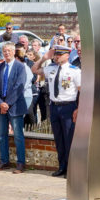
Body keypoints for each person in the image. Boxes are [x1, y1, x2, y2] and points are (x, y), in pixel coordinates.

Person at [35, 43, 81, 177]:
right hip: (54, 106)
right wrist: (43, 58)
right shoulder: (51, 68)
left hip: (68, 106)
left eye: (59, 54)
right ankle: (62, 167)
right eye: (56, 54)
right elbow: (34, 69)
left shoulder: (74, 70)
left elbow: (82, 91)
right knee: (59, 139)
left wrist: (78, 108)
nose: (56, 56)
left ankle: (71, 169)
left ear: (67, 55)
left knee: (69, 139)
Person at [0, 42, 29, 173]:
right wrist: (1, 103)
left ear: (14, 52)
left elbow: (19, 86)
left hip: (15, 106)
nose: (6, 53)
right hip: (1, 106)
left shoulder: (20, 67)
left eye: (9, 51)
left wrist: (7, 104)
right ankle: (4, 161)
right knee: (2, 135)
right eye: (4, 51)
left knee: (18, 135)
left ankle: (20, 163)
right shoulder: (0, 67)